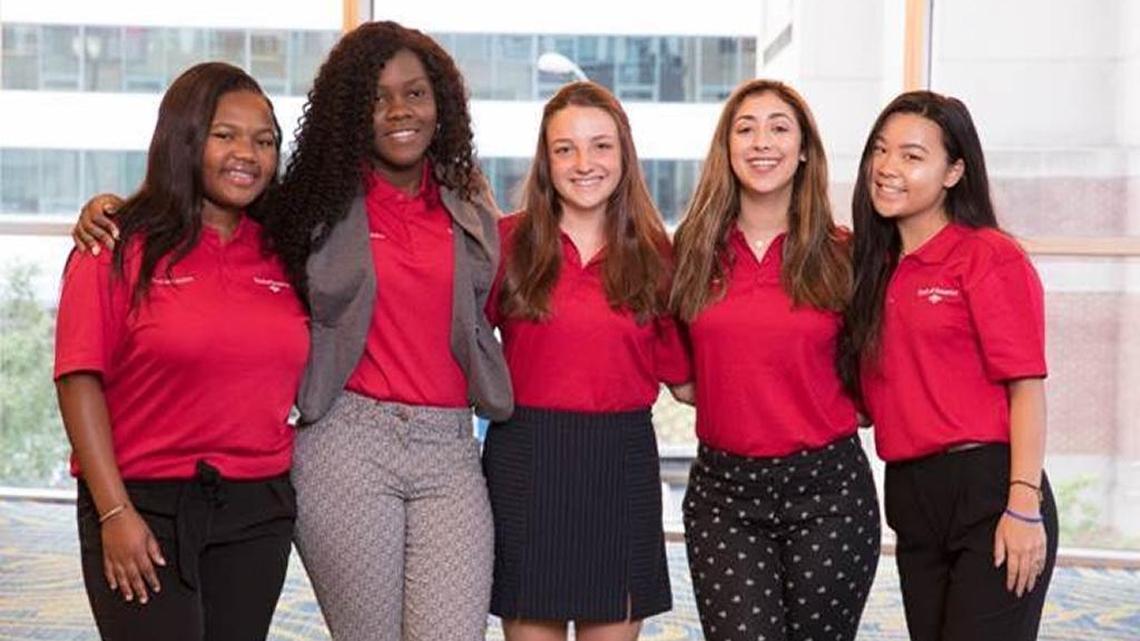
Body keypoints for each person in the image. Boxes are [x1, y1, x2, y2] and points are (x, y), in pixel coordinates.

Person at [71, 21, 512, 641]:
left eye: (415, 93)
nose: (398, 111)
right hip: (345, 442)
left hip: (446, 449)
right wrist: (109, 208)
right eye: (375, 97)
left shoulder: (469, 204)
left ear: (442, 102)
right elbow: (203, 206)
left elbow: (517, 282)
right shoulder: (311, 205)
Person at [55, 62, 308, 641]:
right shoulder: (115, 244)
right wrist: (115, 512)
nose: (248, 153)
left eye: (264, 140)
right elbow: (77, 378)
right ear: (185, 137)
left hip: (257, 506)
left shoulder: (285, 251)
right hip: (140, 501)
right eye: (225, 135)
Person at [837, 90, 1056, 641]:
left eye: (912, 156)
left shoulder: (987, 255)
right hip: (911, 493)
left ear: (954, 171)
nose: (888, 168)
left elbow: (1026, 386)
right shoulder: (871, 269)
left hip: (991, 486)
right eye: (881, 151)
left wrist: (1023, 505)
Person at [669, 78, 881, 641]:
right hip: (724, 495)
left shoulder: (845, 252)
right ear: (727, 148)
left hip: (829, 492)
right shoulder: (691, 249)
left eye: (779, 127)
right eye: (746, 129)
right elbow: (681, 375)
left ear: (804, 147)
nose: (762, 142)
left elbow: (872, 365)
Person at [484, 81, 690, 641]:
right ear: (545, 162)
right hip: (526, 460)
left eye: (600, 146)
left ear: (624, 153)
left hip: (620, 465)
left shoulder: (658, 255)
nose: (584, 164)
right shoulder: (506, 243)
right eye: (564, 148)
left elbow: (689, 381)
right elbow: (455, 343)